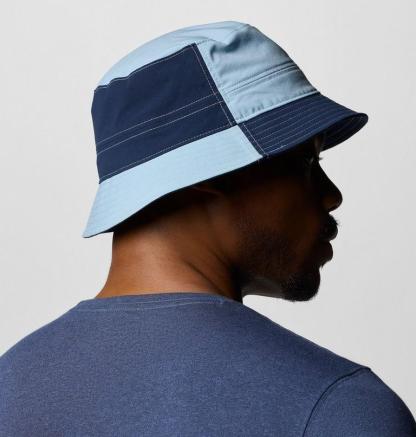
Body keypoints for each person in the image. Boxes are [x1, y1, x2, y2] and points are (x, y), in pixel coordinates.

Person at [1, 21, 415, 436]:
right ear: (208, 171)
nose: (331, 195)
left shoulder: (9, 387)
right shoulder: (342, 411)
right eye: (306, 163)